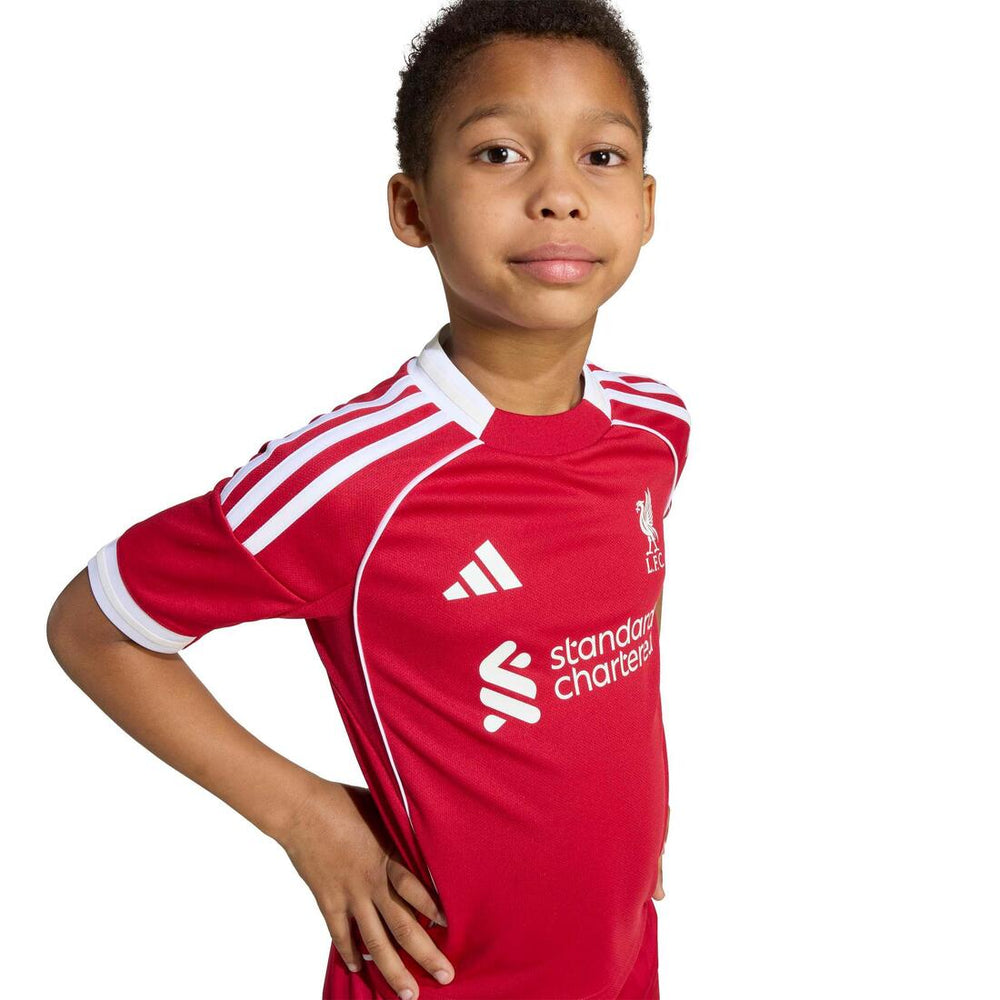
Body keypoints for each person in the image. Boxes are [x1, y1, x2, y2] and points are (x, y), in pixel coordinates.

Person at [46, 1, 691, 997]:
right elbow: (95, 628)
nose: (559, 195)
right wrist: (307, 817)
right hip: (436, 971)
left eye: (600, 158)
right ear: (412, 207)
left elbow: (598, 652)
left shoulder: (655, 428)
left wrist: (622, 826)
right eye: (499, 154)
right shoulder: (350, 478)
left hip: (617, 958)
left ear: (645, 205)